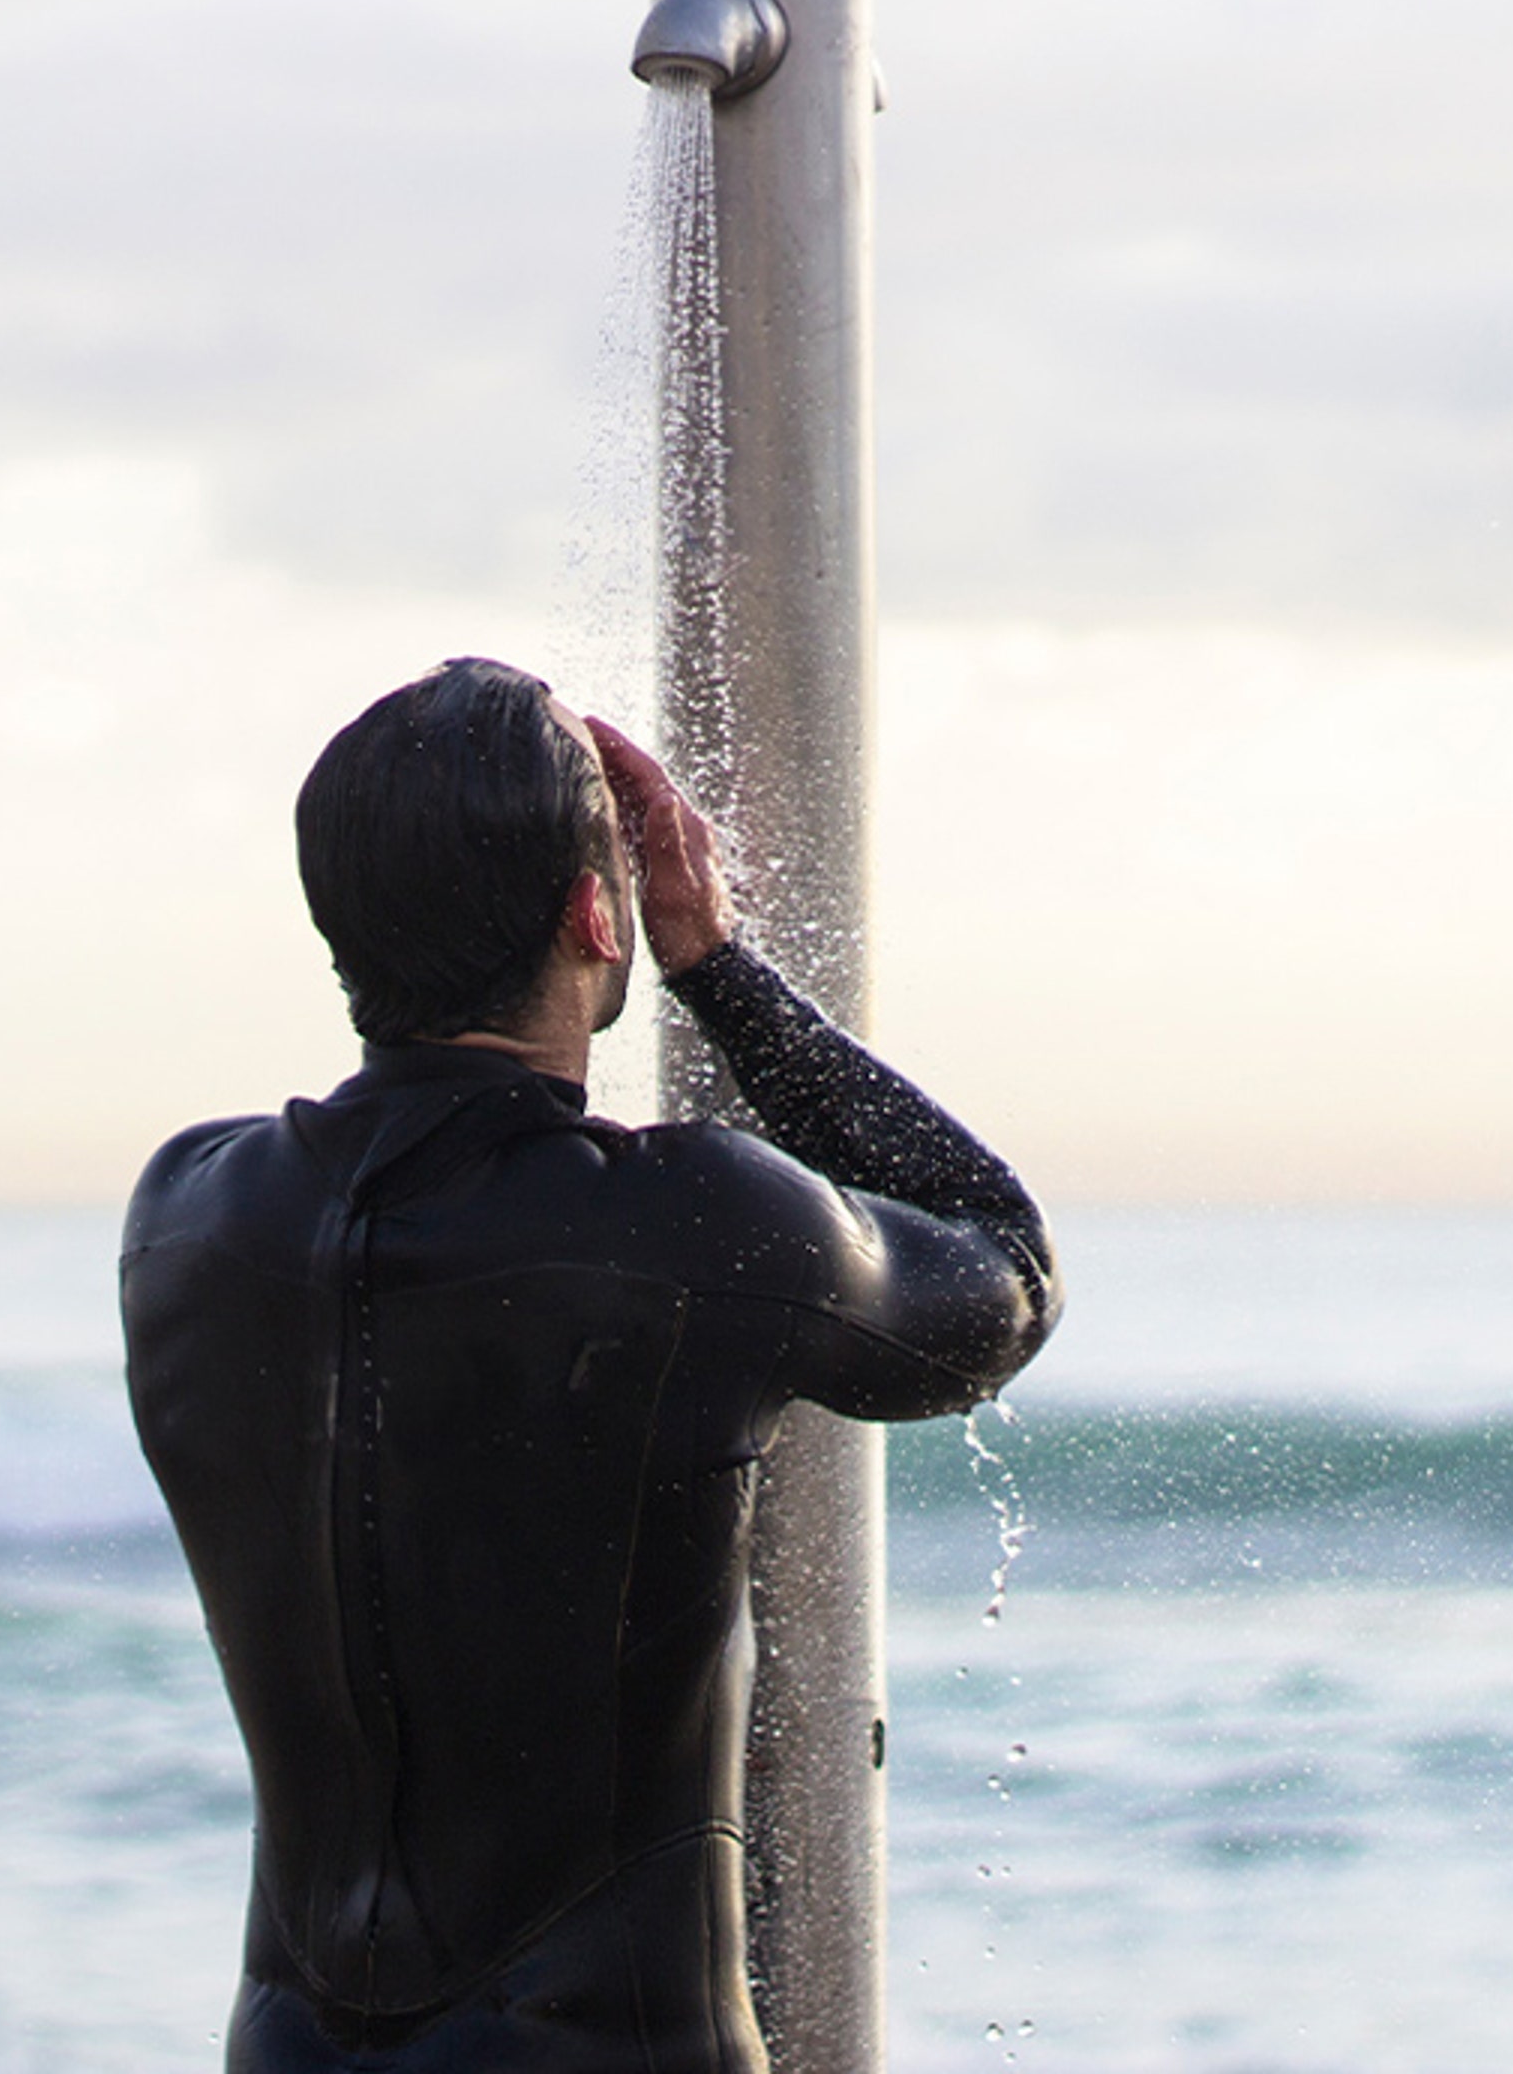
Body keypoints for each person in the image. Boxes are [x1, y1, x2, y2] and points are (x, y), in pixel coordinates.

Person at [123, 658, 1059, 2074]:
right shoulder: (687, 1226)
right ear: (592, 906)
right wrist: (719, 970)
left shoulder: (186, 1211)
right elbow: (1003, 1274)